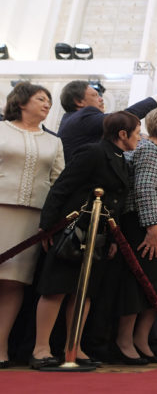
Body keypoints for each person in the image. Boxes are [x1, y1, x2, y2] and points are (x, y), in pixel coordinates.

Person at [32, 111, 141, 369]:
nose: (140, 137)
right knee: (56, 288)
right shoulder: (93, 152)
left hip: (100, 234)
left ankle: (75, 346)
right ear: (122, 134)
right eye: (136, 132)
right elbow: (62, 186)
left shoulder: (122, 160)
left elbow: (115, 202)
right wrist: (47, 226)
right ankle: (41, 348)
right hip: (73, 229)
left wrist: (115, 238)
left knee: (85, 292)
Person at [0, 83, 64, 368]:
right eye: (41, 98)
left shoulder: (54, 141)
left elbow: (57, 181)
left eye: (49, 100)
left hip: (32, 218)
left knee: (15, 284)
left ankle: (1, 348)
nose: (47, 104)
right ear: (22, 102)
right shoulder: (2, 129)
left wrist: (51, 221)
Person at [116, 107, 157, 365]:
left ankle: (141, 339)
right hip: (146, 224)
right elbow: (144, 188)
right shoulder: (148, 150)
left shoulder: (155, 152)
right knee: (140, 281)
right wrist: (152, 227)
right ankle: (125, 339)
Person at [57, 79, 157, 162]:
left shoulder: (70, 120)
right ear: (79, 101)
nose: (101, 99)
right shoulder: (83, 117)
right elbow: (123, 118)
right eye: (95, 95)